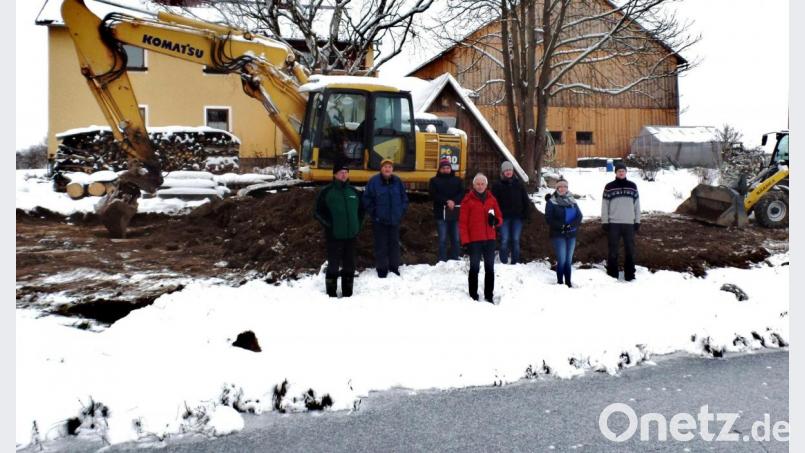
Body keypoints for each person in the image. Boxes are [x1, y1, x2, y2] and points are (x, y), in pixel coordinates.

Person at [314, 163, 364, 297]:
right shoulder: (327, 192)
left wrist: (357, 225)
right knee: (333, 265)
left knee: (349, 265)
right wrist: (329, 225)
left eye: (346, 172)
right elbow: (317, 212)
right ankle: (331, 293)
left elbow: (362, 211)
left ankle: (348, 293)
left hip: (351, 235)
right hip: (334, 235)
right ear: (335, 174)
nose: (344, 174)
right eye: (341, 172)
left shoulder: (354, 192)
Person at [459, 173, 503, 303]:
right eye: (477, 184)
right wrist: (465, 241)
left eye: (482, 184)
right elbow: (462, 223)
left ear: (486, 185)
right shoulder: (467, 200)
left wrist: (496, 221)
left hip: (490, 239)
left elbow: (500, 217)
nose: (480, 186)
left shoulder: (492, 199)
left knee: (490, 268)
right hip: (474, 240)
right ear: (473, 185)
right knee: (474, 268)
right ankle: (473, 295)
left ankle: (489, 295)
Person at [363, 158, 409, 278]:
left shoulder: (397, 181)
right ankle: (382, 269)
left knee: (394, 244)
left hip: (394, 220)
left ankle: (394, 267)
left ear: (392, 169)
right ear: (381, 168)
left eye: (389, 167)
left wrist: (400, 212)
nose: (387, 169)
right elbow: (367, 199)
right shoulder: (374, 181)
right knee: (381, 245)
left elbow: (404, 198)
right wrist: (375, 214)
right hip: (380, 221)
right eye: (385, 167)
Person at [601, 162, 641, 281]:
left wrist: (637, 220)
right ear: (616, 173)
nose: (621, 173)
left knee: (630, 250)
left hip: (629, 223)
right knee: (613, 250)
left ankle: (630, 274)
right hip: (614, 224)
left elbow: (637, 205)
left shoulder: (632, 186)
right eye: (619, 171)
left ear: (626, 172)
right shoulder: (609, 186)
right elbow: (604, 205)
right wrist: (605, 221)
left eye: (623, 171)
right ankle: (612, 274)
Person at [544, 178, 583, 287]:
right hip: (558, 234)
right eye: (560, 187)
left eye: (565, 186)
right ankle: (560, 282)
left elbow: (579, 216)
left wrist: (571, 225)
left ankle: (568, 282)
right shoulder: (551, 202)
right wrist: (562, 226)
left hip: (571, 234)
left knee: (568, 260)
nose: (562, 188)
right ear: (556, 188)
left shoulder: (572, 200)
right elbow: (549, 219)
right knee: (562, 260)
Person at [491, 161, 531, 264]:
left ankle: (515, 262)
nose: (508, 172)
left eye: (510, 170)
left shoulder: (519, 184)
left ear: (513, 171)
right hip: (504, 217)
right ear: (502, 172)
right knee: (505, 239)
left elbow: (525, 200)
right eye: (506, 170)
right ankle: (503, 262)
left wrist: (526, 214)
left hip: (517, 217)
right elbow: (493, 202)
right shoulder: (497, 185)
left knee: (515, 240)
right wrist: (495, 216)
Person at [428, 158, 464, 262]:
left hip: (454, 213)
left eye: (448, 168)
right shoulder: (434, 181)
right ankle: (442, 260)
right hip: (441, 213)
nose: (446, 170)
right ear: (440, 169)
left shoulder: (458, 180)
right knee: (442, 238)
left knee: (456, 238)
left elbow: (462, 193)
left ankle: (455, 258)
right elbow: (433, 194)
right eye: (443, 168)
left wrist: (454, 201)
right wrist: (446, 201)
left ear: (450, 169)